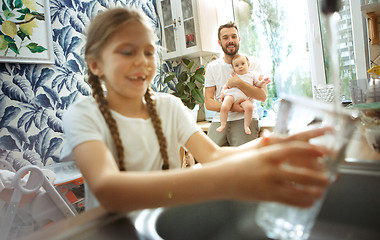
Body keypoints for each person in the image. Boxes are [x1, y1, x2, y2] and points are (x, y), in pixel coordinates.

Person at [60, 8, 329, 216]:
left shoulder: (169, 106)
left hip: (168, 218)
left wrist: (271, 143)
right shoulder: (83, 115)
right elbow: (109, 190)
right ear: (95, 64)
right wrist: (227, 180)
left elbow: (213, 155)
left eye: (149, 52)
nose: (142, 61)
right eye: (127, 52)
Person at [205, 21, 267, 146]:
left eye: (234, 36)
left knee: (244, 162)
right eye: (225, 37)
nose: (230, 40)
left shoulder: (253, 63)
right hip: (220, 119)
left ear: (239, 39)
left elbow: (262, 96)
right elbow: (208, 102)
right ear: (219, 42)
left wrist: (238, 83)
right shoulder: (212, 67)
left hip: (245, 119)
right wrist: (232, 107)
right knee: (208, 159)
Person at [217, 54, 271, 135]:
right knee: (224, 106)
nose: (240, 67)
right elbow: (226, 86)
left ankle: (246, 126)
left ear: (248, 64)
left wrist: (263, 82)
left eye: (243, 64)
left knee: (249, 107)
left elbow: (258, 84)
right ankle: (223, 124)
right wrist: (222, 93)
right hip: (231, 95)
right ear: (234, 68)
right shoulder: (233, 75)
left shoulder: (252, 75)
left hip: (243, 98)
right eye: (237, 65)